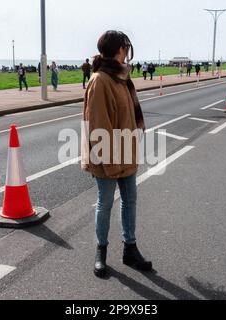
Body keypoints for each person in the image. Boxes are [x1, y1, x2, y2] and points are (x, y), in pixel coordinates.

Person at [82, 30, 152, 279]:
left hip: (126, 152)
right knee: (105, 203)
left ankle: (130, 249)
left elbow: (129, 115)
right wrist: (110, 164)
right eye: (126, 47)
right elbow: (98, 125)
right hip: (108, 157)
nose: (128, 51)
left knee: (130, 201)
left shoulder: (122, 77)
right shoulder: (101, 80)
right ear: (118, 49)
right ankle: (100, 252)